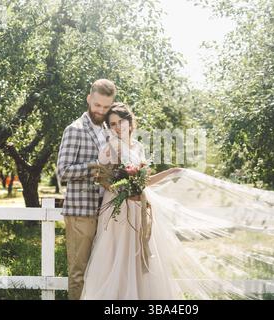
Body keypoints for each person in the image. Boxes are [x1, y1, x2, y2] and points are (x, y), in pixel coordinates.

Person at [80, 103, 182, 299]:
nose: (117, 127)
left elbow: (144, 183)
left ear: (130, 121)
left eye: (121, 122)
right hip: (118, 210)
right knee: (115, 257)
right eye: (112, 124)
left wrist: (170, 172)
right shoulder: (108, 146)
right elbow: (102, 177)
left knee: (137, 257)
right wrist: (119, 184)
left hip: (138, 208)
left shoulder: (138, 147)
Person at [56, 79, 116, 300]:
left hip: (106, 212)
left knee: (100, 273)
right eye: (97, 105)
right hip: (81, 212)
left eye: (106, 107)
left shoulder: (111, 130)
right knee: (79, 273)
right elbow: (63, 171)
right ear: (89, 98)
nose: (100, 111)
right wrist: (93, 168)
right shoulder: (75, 130)